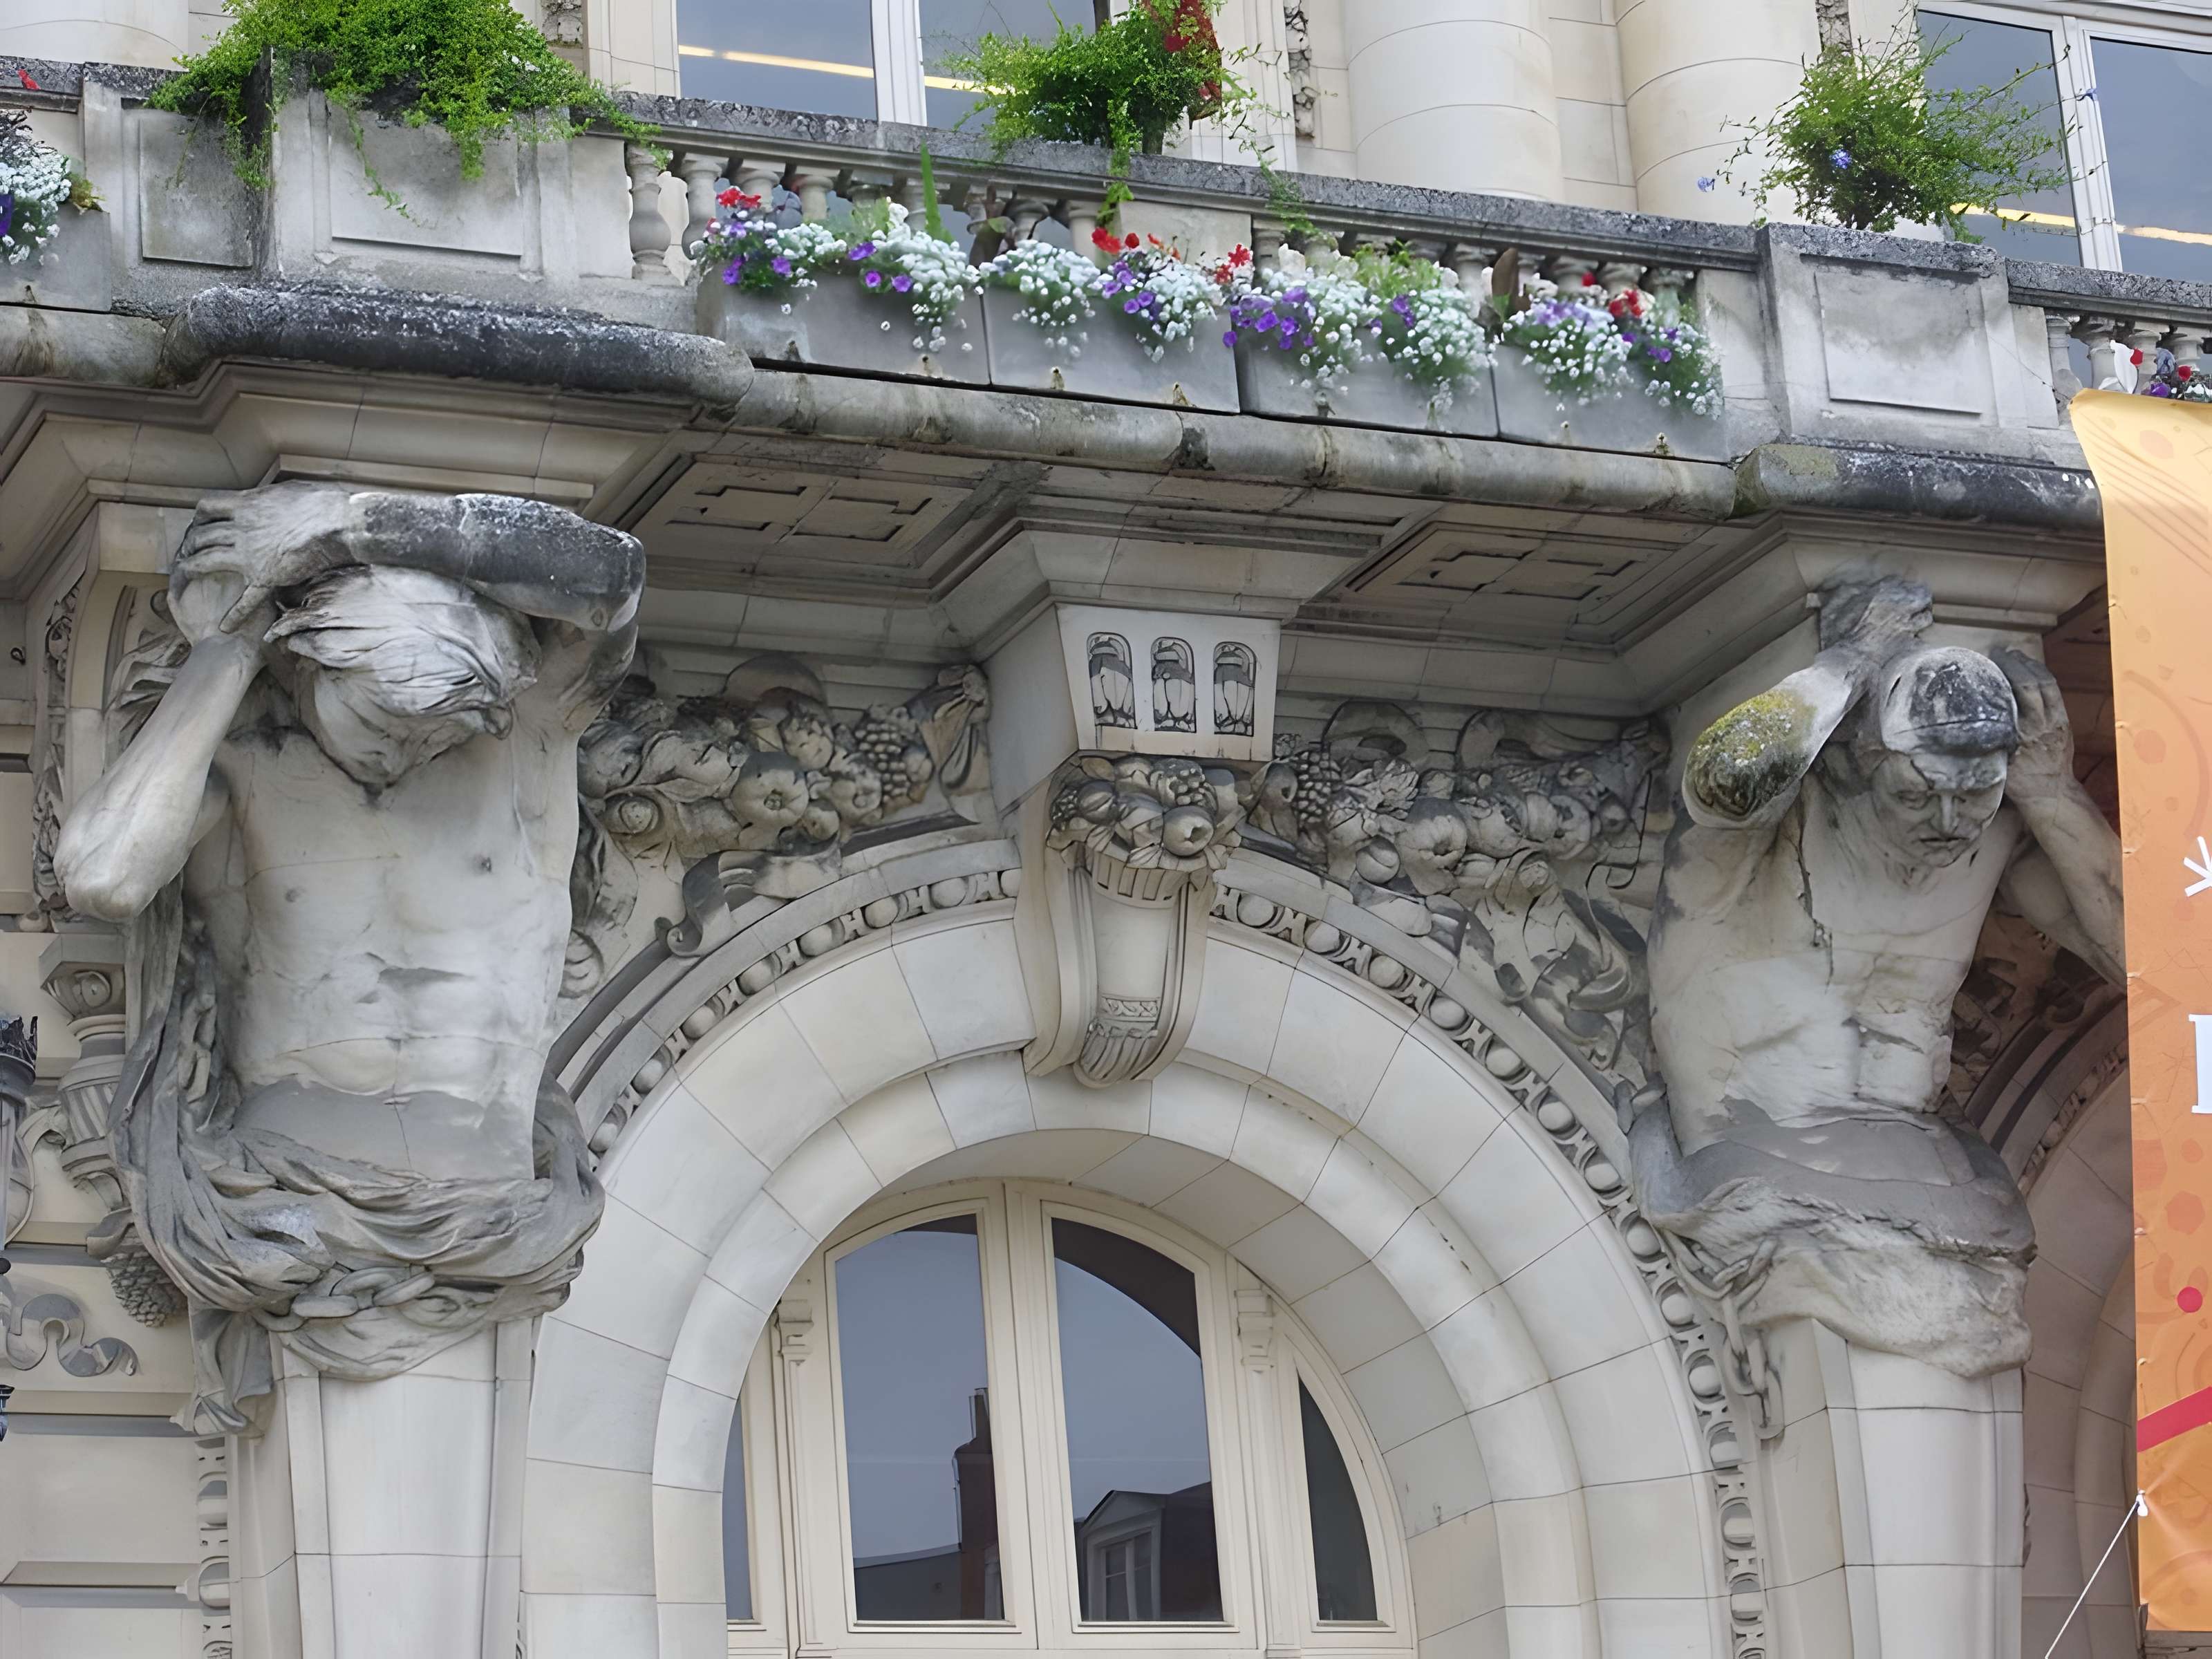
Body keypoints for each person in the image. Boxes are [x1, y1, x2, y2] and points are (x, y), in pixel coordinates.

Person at [55, 480, 644, 1430]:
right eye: (380, 722)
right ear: (310, 663)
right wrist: (231, 641)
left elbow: (611, 578)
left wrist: (347, 525)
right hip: (286, 1198)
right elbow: (106, 877)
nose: (404, 754)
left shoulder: (531, 735)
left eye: (436, 736)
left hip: (500, 1200)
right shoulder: (247, 764)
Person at [1635, 576, 2123, 1377]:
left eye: (1975, 795)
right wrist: (1848, 661)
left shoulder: (1992, 837)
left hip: (1952, 1204)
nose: (1947, 822)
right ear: (1864, 757)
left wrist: (2048, 792)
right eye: (1918, 792)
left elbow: (2150, 964)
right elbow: (1727, 776)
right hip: (1766, 1181)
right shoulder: (1760, 838)